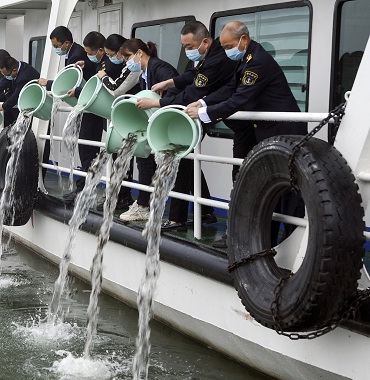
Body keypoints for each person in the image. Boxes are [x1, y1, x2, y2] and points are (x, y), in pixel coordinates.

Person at [185, 21, 307, 247]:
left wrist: (204, 113)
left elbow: (240, 99)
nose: (226, 50)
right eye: (222, 46)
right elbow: (230, 89)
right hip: (267, 134)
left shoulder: (257, 63)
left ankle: (293, 245)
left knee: (289, 192)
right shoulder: (244, 59)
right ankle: (264, 242)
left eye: (229, 45)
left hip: (285, 134)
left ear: (244, 40)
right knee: (268, 189)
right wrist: (201, 101)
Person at [135, 21, 236, 231]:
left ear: (205, 42)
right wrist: (170, 82)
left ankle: (177, 220)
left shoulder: (217, 59)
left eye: (190, 47)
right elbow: (193, 76)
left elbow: (192, 93)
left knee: (181, 160)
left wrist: (156, 103)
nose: (187, 51)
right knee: (187, 162)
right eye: (184, 47)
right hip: (209, 113)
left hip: (226, 117)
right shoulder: (210, 53)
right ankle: (206, 212)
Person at [117, 39, 180, 222]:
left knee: (146, 160)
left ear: (139, 53)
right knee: (186, 168)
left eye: (128, 57)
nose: (127, 63)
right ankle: (205, 209)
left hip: (172, 124)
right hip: (162, 124)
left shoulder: (160, 69)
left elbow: (176, 94)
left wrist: (156, 103)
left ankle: (144, 205)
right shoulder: (146, 73)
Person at [37, 26, 99, 206]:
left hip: (90, 109)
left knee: (88, 151)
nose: (57, 49)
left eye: (57, 45)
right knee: (85, 149)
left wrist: (47, 83)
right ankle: (83, 187)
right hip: (85, 108)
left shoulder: (76, 54)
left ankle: (84, 190)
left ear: (66, 43)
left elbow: (70, 82)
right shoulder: (74, 53)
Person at [87, 32, 140, 211]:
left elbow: (116, 89)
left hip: (131, 118)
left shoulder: (133, 68)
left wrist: (102, 76)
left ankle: (128, 198)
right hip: (123, 118)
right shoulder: (126, 66)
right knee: (119, 156)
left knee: (128, 158)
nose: (110, 59)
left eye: (111, 55)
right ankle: (119, 195)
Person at [0, 54, 40, 127]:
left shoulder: (24, 77)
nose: (6, 77)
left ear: (14, 70)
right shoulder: (18, 66)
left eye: (7, 75)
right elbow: (6, 79)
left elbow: (16, 97)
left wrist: (3, 106)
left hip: (34, 106)